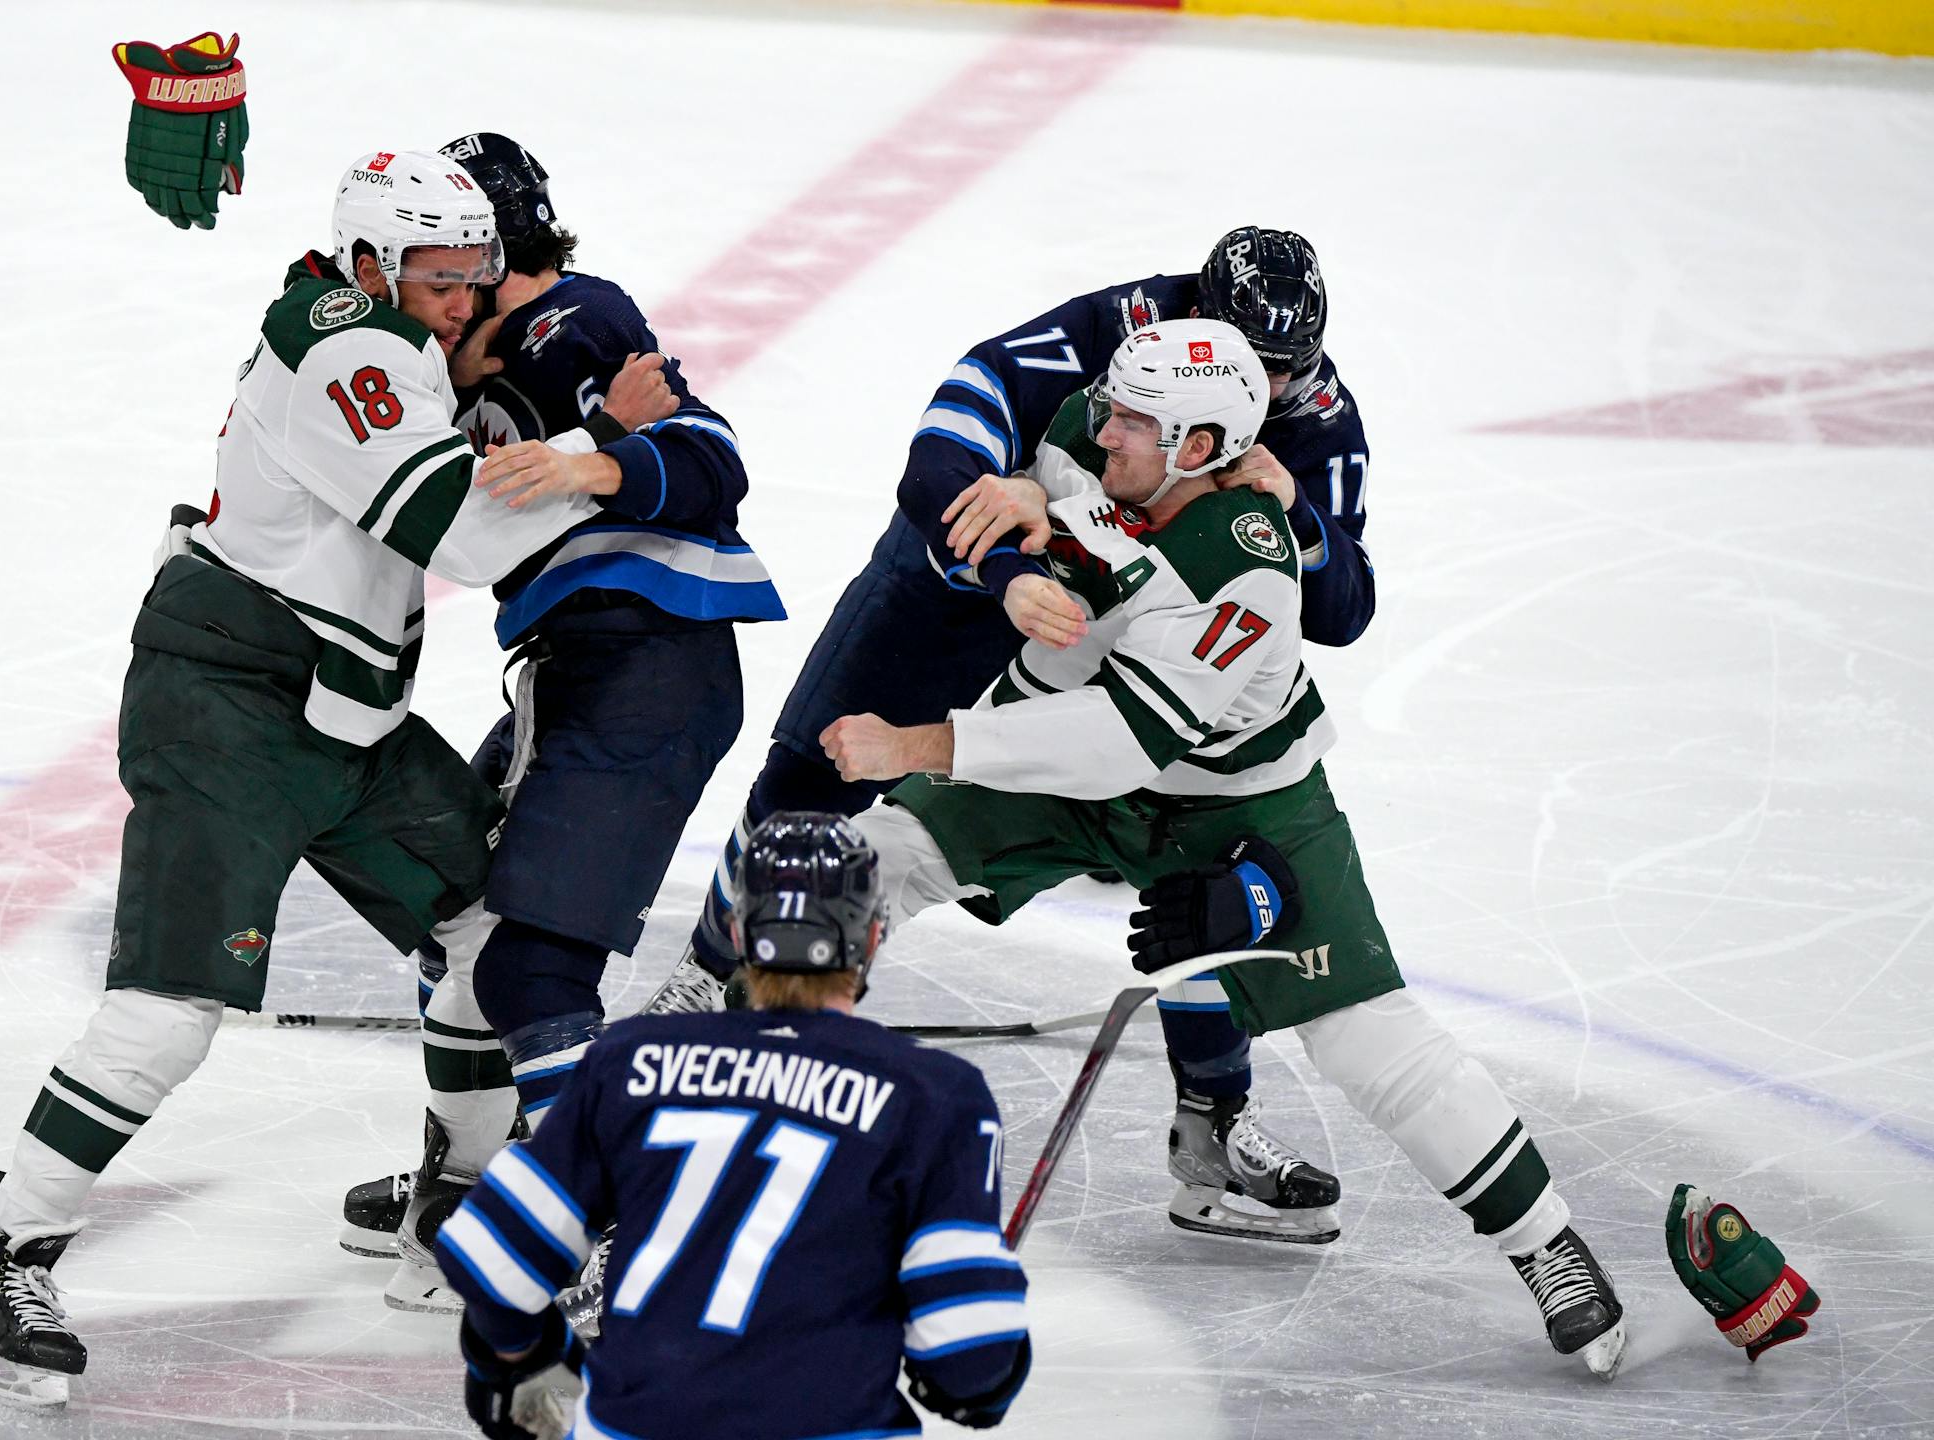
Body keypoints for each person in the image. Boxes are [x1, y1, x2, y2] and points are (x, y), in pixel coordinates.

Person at [0, 148, 626, 1407]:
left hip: (342, 708)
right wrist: (611, 458)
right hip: (226, 706)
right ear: (369, 264)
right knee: (168, 1011)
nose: (466, 303)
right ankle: (2, 1267)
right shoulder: (347, 345)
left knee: (489, 930)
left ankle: (450, 1218)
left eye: (477, 276)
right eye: (440, 278)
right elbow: (458, 530)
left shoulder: (381, 327)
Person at [820, 319, 1628, 1378]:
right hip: (1074, 736)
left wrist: (919, 741)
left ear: (1198, 449)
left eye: (1132, 422)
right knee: (850, 868)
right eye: (1109, 406)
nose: (1100, 428)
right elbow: (1055, 502)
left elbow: (1121, 741)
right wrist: (1029, 528)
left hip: (1235, 806)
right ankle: (691, 1084)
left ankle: (1547, 1245)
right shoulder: (1095, 435)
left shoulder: (1247, 566)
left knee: (1368, 1040)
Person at [646, 228, 1362, 1245]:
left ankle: (1214, 1120)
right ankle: (708, 981)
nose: (1274, 387)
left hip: (1120, 625)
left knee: (1192, 859)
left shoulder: (1307, 410)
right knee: (817, 779)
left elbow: (1343, 604)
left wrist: (1304, 526)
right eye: (1261, 360)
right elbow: (944, 448)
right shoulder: (1118, 330)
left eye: (1292, 368)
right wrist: (1008, 569)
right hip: (964, 587)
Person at [341, 133, 785, 1311]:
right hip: (587, 667)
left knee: (528, 956)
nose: (433, 282)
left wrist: (593, 463)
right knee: (466, 925)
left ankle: (609, 1217)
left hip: (645, 659)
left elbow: (711, 454)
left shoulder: (574, 321)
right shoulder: (458, 350)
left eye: (448, 256)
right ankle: (487, 1175)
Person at [431, 813, 1031, 1440]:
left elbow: (491, 1259)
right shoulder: (934, 1096)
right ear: (873, 932)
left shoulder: (632, 1062)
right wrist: (979, 1378)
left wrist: (524, 1361)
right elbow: (970, 1359)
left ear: (740, 931)